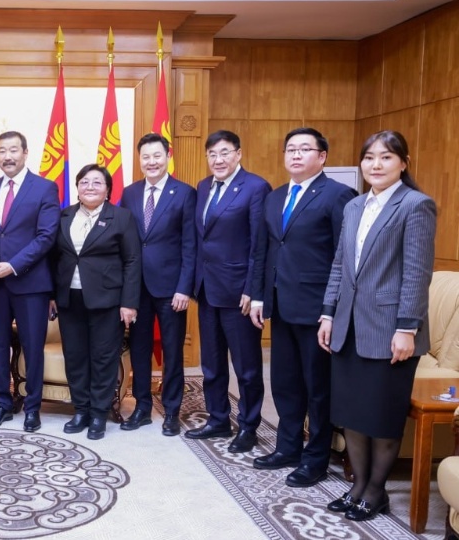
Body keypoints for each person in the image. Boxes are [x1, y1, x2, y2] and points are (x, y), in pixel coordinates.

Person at [319, 130, 435, 521]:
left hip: (390, 331)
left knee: (381, 417)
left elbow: (417, 273)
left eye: (386, 157)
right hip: (348, 327)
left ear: (403, 162)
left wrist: (407, 327)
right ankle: (357, 487)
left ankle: (375, 491)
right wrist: (328, 313)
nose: (376, 164)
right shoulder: (354, 206)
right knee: (352, 414)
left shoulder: (415, 205)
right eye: (369, 157)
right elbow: (340, 265)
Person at [249, 128, 355, 487]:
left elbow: (344, 257)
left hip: (317, 309)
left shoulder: (338, 195)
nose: (296, 155)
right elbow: (264, 251)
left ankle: (316, 459)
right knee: (285, 382)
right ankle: (288, 447)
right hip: (281, 305)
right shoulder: (276, 197)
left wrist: (333, 310)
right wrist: (259, 295)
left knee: (317, 388)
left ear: (322, 156)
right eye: (290, 149)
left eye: (304, 149)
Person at [185, 130, 271, 454]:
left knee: (246, 367)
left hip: (239, 293)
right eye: (212, 154)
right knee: (211, 363)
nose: (218, 160)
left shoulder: (255, 187)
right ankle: (218, 418)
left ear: (238, 154)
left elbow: (259, 244)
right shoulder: (203, 186)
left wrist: (253, 288)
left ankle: (248, 426)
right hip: (208, 288)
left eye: (224, 153)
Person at [0, 131, 60, 432]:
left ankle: (32, 407)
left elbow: (46, 236)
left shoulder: (45, 188)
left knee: (32, 346)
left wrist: (13, 266)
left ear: (25, 153)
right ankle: (1, 404)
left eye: (13, 150)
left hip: (30, 283)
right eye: (2, 151)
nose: (8, 156)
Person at [52, 164, 141, 440]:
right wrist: (53, 295)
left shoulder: (121, 217)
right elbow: (54, 257)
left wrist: (129, 302)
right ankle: (81, 410)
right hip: (70, 298)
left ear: (107, 190)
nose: (90, 187)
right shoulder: (64, 215)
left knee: (103, 358)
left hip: (108, 300)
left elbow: (132, 260)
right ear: (77, 188)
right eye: (84, 182)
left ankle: (99, 414)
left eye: (97, 182)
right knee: (75, 356)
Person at [119, 133, 196, 437]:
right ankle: (141, 406)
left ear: (168, 156)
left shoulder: (185, 193)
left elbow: (190, 245)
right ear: (139, 160)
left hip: (171, 288)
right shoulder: (129, 193)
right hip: (137, 287)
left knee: (173, 351)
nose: (151, 162)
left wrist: (184, 287)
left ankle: (172, 410)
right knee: (139, 349)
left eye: (157, 156)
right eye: (146, 157)